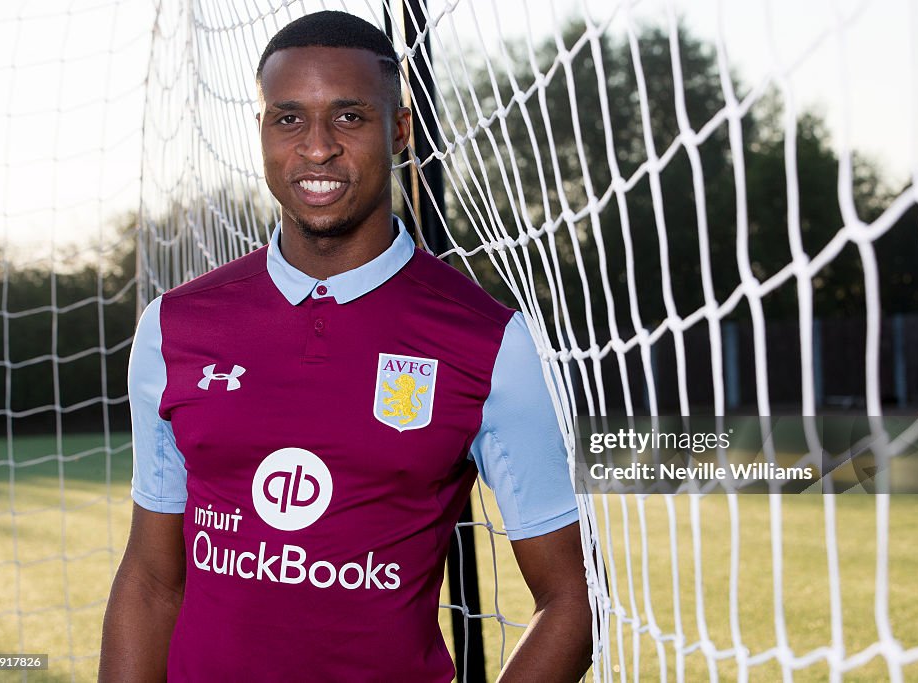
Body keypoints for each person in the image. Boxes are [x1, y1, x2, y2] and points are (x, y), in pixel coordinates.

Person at [99, 10, 592, 682]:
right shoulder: (174, 328)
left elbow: (571, 599)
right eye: (288, 117)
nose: (317, 146)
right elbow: (154, 580)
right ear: (263, 131)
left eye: (350, 117)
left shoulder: (490, 341)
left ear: (399, 129)